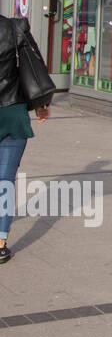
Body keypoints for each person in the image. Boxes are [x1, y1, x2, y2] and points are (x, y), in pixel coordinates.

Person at [0, 17, 55, 265]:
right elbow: (35, 66)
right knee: (5, 181)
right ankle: (0, 244)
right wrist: (41, 104)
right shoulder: (14, 28)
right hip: (13, 113)